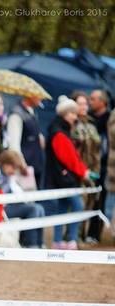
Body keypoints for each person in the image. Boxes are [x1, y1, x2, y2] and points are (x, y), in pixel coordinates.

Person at [45, 96, 96, 250]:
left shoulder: (60, 130)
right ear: (64, 114)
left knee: (62, 208)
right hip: (65, 178)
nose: (75, 116)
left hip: (61, 177)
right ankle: (71, 239)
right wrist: (84, 172)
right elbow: (70, 159)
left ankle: (58, 240)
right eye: (72, 113)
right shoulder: (60, 133)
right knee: (77, 205)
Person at [0, 150, 45, 248]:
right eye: (13, 168)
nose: (14, 171)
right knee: (33, 209)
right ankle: (30, 244)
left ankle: (40, 243)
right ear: (5, 164)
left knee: (39, 208)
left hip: (11, 204)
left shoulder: (8, 176)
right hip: (0, 209)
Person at [71, 91, 102, 243]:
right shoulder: (71, 124)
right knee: (78, 204)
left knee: (89, 204)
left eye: (85, 103)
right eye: (80, 103)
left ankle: (82, 236)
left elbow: (97, 148)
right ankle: (72, 237)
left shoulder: (91, 123)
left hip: (93, 171)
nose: (84, 106)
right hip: (79, 171)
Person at [6, 94, 45, 188]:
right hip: (24, 169)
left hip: (35, 166)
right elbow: (14, 144)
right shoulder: (16, 115)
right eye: (38, 95)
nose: (41, 98)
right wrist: (22, 165)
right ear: (30, 95)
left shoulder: (32, 113)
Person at [87, 89, 111, 242]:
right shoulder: (88, 118)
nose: (90, 102)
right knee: (92, 200)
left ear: (103, 102)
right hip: (91, 168)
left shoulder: (111, 118)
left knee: (102, 200)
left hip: (108, 168)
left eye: (93, 99)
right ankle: (89, 234)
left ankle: (95, 234)